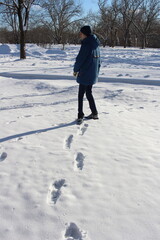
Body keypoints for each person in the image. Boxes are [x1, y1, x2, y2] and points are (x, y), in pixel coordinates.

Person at [73, 25, 101, 124]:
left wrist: (75, 70)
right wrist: (96, 72)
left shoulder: (86, 44)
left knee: (81, 94)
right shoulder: (95, 44)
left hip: (85, 73)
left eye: (81, 33)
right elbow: (99, 61)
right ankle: (94, 112)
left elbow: (80, 59)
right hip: (93, 73)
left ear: (85, 34)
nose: (80, 34)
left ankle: (80, 115)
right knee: (88, 92)